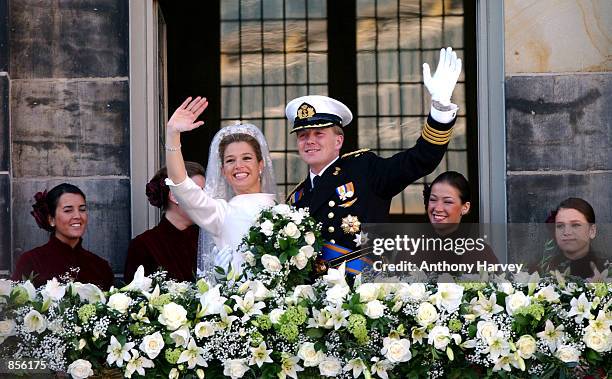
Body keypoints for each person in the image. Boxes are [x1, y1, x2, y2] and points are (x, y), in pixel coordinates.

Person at [286, 47, 462, 275]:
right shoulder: (297, 198)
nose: (309, 141)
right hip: (315, 299)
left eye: (318, 134)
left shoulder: (364, 169)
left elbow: (421, 159)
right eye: (303, 136)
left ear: (338, 140)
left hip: (366, 295)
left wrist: (440, 108)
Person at [164, 97, 277, 279]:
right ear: (223, 171)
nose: (239, 166)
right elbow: (181, 185)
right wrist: (172, 134)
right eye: (230, 160)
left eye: (247, 158)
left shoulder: (284, 209)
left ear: (261, 164)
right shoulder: (220, 212)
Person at [11, 183, 114, 289]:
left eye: (82, 209)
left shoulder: (100, 266)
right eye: (68, 210)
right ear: (51, 219)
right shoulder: (31, 262)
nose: (77, 216)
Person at [123, 162, 206, 282]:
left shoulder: (207, 239)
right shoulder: (144, 246)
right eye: (198, 192)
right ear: (174, 196)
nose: (205, 200)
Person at [421, 171, 498, 272]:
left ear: (465, 207)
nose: (438, 208)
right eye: (433, 199)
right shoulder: (410, 251)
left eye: (448, 201)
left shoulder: (481, 254)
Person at [537, 197, 606, 279]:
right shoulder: (539, 271)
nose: (566, 232)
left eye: (575, 225)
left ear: (592, 231)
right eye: (560, 226)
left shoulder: (607, 268)